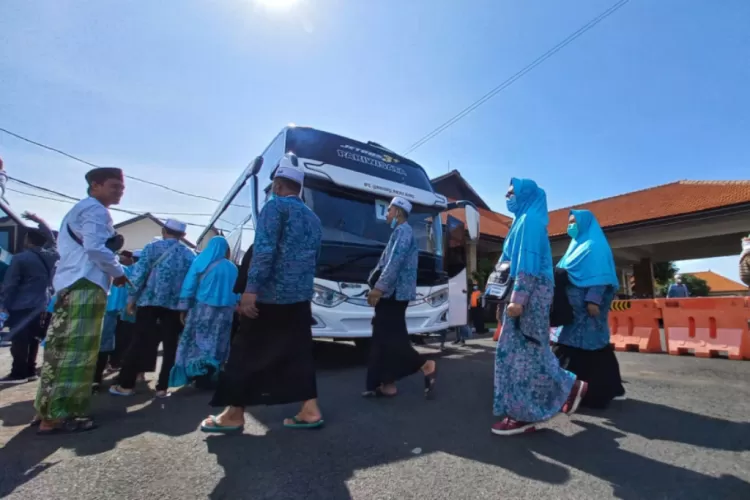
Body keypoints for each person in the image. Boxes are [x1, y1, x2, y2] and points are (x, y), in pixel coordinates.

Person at [201, 155, 323, 432]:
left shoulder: (275, 207)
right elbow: (316, 257)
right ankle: (310, 409)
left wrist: (250, 290)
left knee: (246, 351)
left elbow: (265, 251)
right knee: (299, 353)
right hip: (300, 298)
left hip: (269, 297)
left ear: (278, 186)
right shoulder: (314, 219)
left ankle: (233, 414)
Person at [33, 167, 128, 434]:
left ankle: (47, 410)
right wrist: (118, 273)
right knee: (78, 353)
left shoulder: (80, 209)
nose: (119, 191)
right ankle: (64, 414)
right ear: (95, 186)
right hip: (86, 284)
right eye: (114, 186)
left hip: (71, 284)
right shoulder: (96, 210)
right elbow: (95, 248)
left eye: (121, 187)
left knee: (59, 349)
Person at [492, 178, 587, 436]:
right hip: (524, 295)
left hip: (529, 297)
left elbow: (527, 265)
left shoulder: (529, 223)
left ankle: (523, 415)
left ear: (525, 194)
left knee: (519, 355)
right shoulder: (521, 222)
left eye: (511, 192)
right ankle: (569, 385)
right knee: (533, 352)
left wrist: (518, 299)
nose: (507, 196)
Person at [110, 220, 195, 399]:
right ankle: (163, 388)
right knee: (171, 346)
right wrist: (185, 307)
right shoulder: (189, 254)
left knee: (138, 343)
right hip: (174, 306)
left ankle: (126, 385)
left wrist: (131, 299)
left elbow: (139, 274)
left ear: (163, 231)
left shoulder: (152, 248)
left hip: (149, 302)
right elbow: (191, 283)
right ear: (183, 236)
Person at [363, 196, 437, 399]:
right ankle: (387, 384)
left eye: (388, 210)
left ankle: (425, 364)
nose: (386, 214)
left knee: (391, 338)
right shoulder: (399, 232)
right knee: (383, 338)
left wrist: (379, 287)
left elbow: (394, 262)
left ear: (397, 212)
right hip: (392, 293)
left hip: (394, 294)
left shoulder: (404, 232)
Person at [551, 209, 626, 408]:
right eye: (569, 222)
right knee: (582, 349)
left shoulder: (595, 246)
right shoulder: (575, 246)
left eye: (574, 221)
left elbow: (600, 275)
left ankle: (590, 393)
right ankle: (578, 391)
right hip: (573, 311)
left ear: (585, 223)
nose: (570, 226)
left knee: (588, 350)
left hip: (588, 310)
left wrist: (594, 300)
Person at [169, 236, 238, 390]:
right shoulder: (232, 267)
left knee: (198, 342)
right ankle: (211, 375)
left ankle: (196, 374)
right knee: (217, 342)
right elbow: (237, 291)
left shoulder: (201, 263)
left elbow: (189, 285)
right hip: (225, 313)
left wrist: (183, 308)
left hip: (202, 310)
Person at [0, 213, 59, 384]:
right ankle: (31, 370)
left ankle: (18, 373)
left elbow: (11, 284)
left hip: (21, 304)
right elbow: (53, 241)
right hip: (43, 304)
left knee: (19, 339)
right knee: (34, 337)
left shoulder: (20, 258)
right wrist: (41, 222)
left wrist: (3, 304)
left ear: (28, 240)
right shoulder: (52, 255)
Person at [92, 251, 135, 391]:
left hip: (100, 311)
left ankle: (94, 379)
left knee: (99, 344)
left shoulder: (87, 264)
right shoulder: (121, 270)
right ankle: (96, 379)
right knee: (105, 344)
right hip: (112, 312)